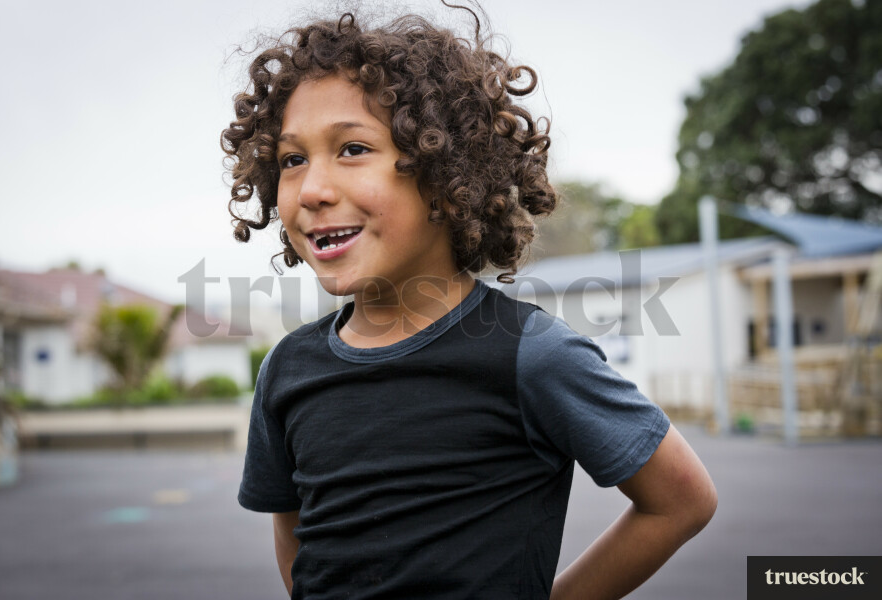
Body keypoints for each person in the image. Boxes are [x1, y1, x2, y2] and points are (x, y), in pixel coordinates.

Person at [223, 4, 717, 599]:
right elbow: (298, 542)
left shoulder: (532, 356)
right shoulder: (287, 370)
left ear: (443, 174)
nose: (313, 189)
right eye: (292, 159)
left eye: (352, 148)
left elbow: (681, 501)